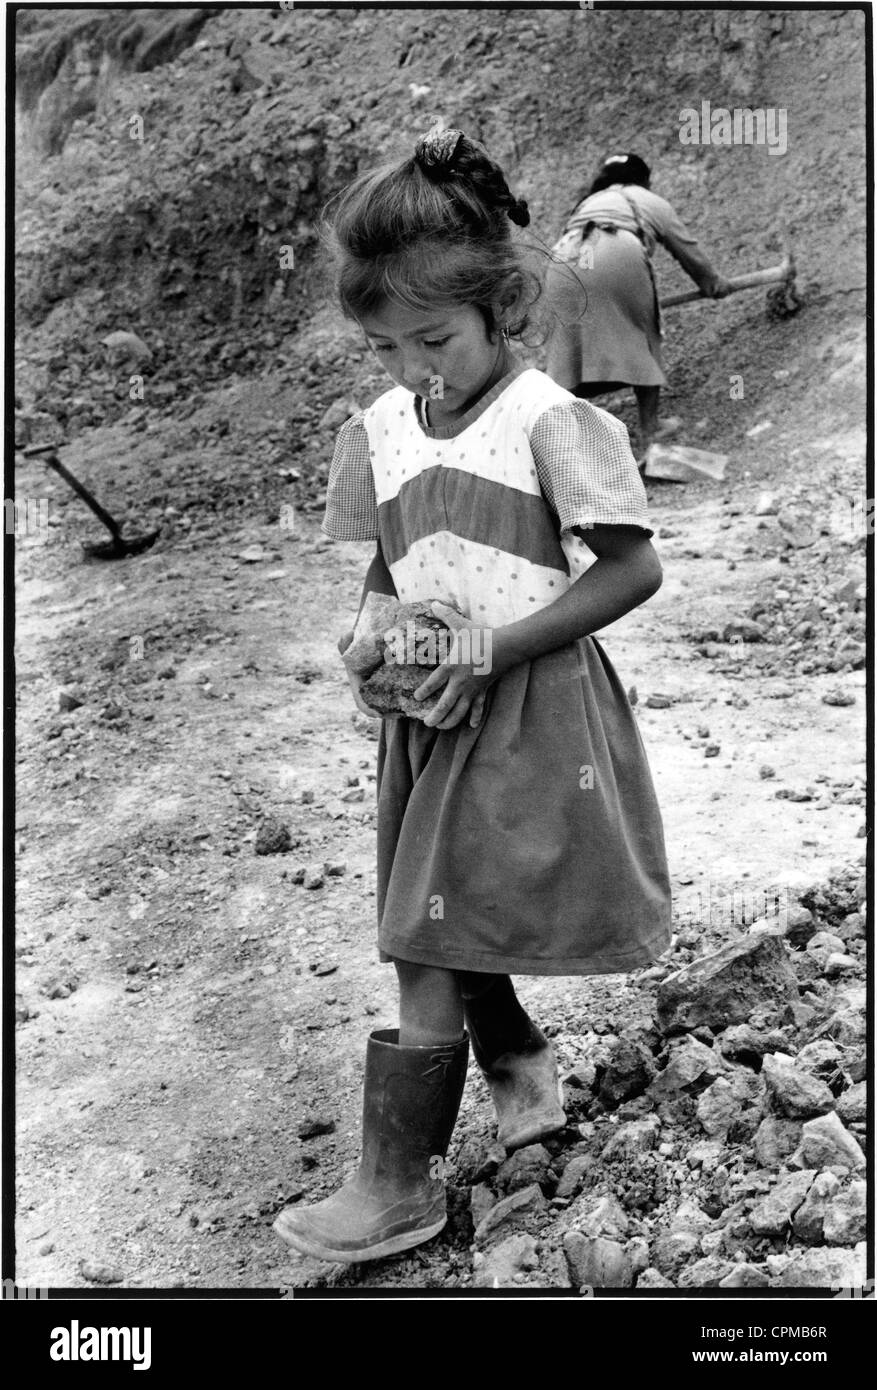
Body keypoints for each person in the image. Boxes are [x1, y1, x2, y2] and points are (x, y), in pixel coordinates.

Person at [273, 129, 672, 1265]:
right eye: (385, 346)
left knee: (421, 932)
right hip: (426, 711)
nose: (413, 369)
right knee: (438, 908)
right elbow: (389, 558)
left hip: (530, 708)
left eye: (435, 338)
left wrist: (496, 647)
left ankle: (395, 1184)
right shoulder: (386, 429)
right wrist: (370, 629)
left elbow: (631, 569)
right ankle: (511, 1059)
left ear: (503, 306)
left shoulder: (547, 419)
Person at [544, 152, 730, 458]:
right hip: (615, 249)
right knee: (642, 333)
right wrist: (712, 283)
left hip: (562, 260)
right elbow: (687, 249)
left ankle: (560, 448)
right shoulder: (647, 199)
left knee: (568, 351)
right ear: (643, 179)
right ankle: (650, 433)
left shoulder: (590, 203)